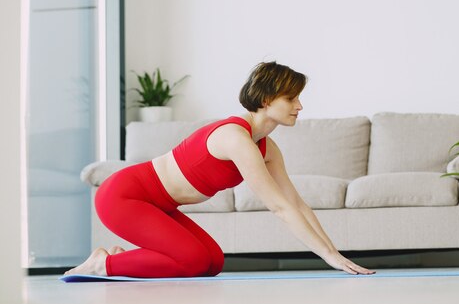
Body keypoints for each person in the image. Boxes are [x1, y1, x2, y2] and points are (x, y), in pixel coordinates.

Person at [66, 61, 374, 277]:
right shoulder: (235, 138)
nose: (300, 106)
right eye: (291, 98)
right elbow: (279, 208)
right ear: (267, 100)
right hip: (124, 197)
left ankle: (120, 260)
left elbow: (296, 204)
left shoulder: (268, 148)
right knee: (193, 260)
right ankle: (102, 265)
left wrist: (334, 252)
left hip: (159, 205)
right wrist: (326, 257)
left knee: (212, 261)